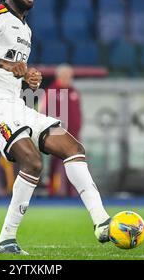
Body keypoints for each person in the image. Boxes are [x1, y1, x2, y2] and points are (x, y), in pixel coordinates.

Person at [0, 0, 111, 255]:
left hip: (13, 103)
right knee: (32, 161)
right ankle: (6, 239)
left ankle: (102, 222)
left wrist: (27, 77)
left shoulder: (26, 30)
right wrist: (6, 65)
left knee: (72, 146)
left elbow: (12, 69)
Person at [40, 64, 82, 197]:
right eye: (66, 75)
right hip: (58, 134)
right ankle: (52, 189)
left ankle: (72, 191)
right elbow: (44, 111)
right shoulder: (53, 91)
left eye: (70, 75)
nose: (68, 78)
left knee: (75, 163)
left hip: (74, 135)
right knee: (56, 162)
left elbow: (77, 112)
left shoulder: (73, 91)